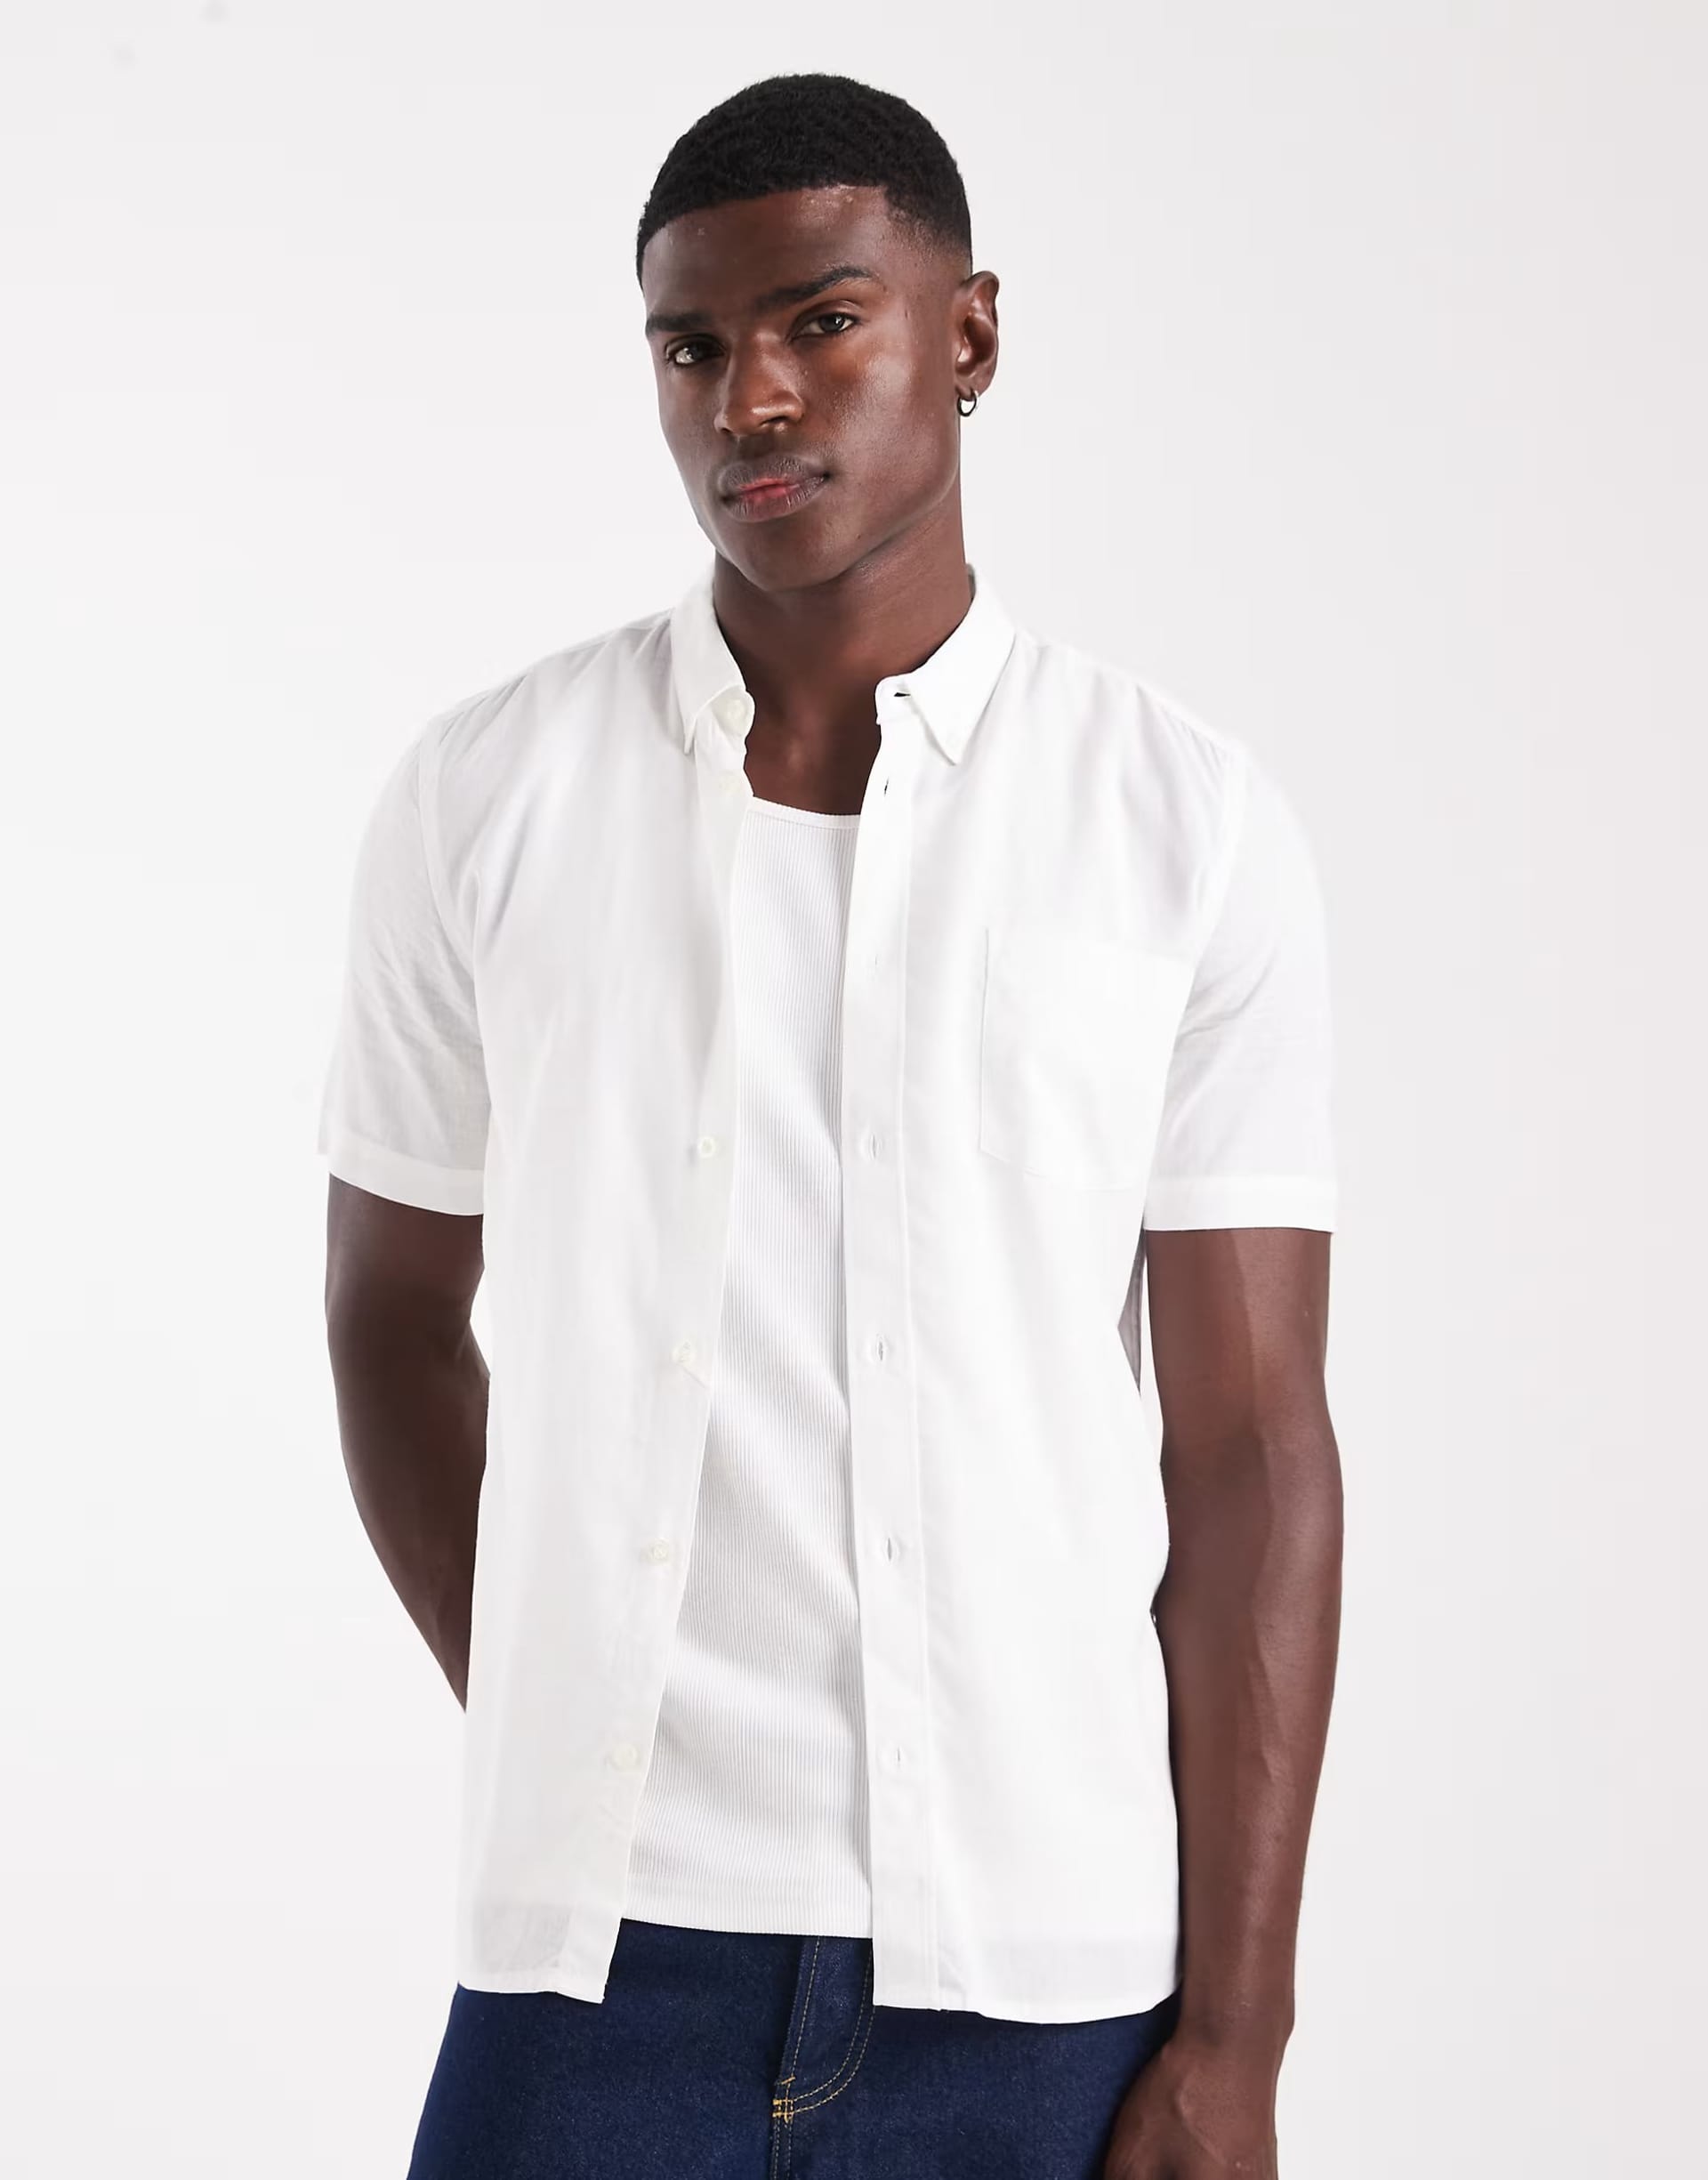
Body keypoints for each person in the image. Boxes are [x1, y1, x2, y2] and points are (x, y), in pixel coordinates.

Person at [318, 69, 1342, 2180]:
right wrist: (574, 1718)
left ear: (969, 334)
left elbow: (1251, 1447)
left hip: (1042, 1986)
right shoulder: (487, 798)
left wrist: (1237, 2037)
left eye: (822, 322)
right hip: (593, 1978)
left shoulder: (1182, 827)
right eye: (692, 347)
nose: (751, 399)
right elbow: (391, 1316)